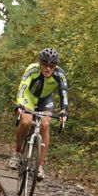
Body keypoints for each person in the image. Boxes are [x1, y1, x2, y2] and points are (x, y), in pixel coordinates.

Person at [9, 48, 68, 181]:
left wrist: (64, 110)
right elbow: (22, 87)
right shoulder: (32, 69)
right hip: (28, 97)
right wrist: (20, 104)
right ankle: (17, 153)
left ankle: (40, 165)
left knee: (45, 124)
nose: (48, 68)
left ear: (55, 66)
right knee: (25, 121)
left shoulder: (60, 74)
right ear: (40, 63)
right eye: (45, 65)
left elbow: (64, 93)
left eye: (51, 66)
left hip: (45, 100)